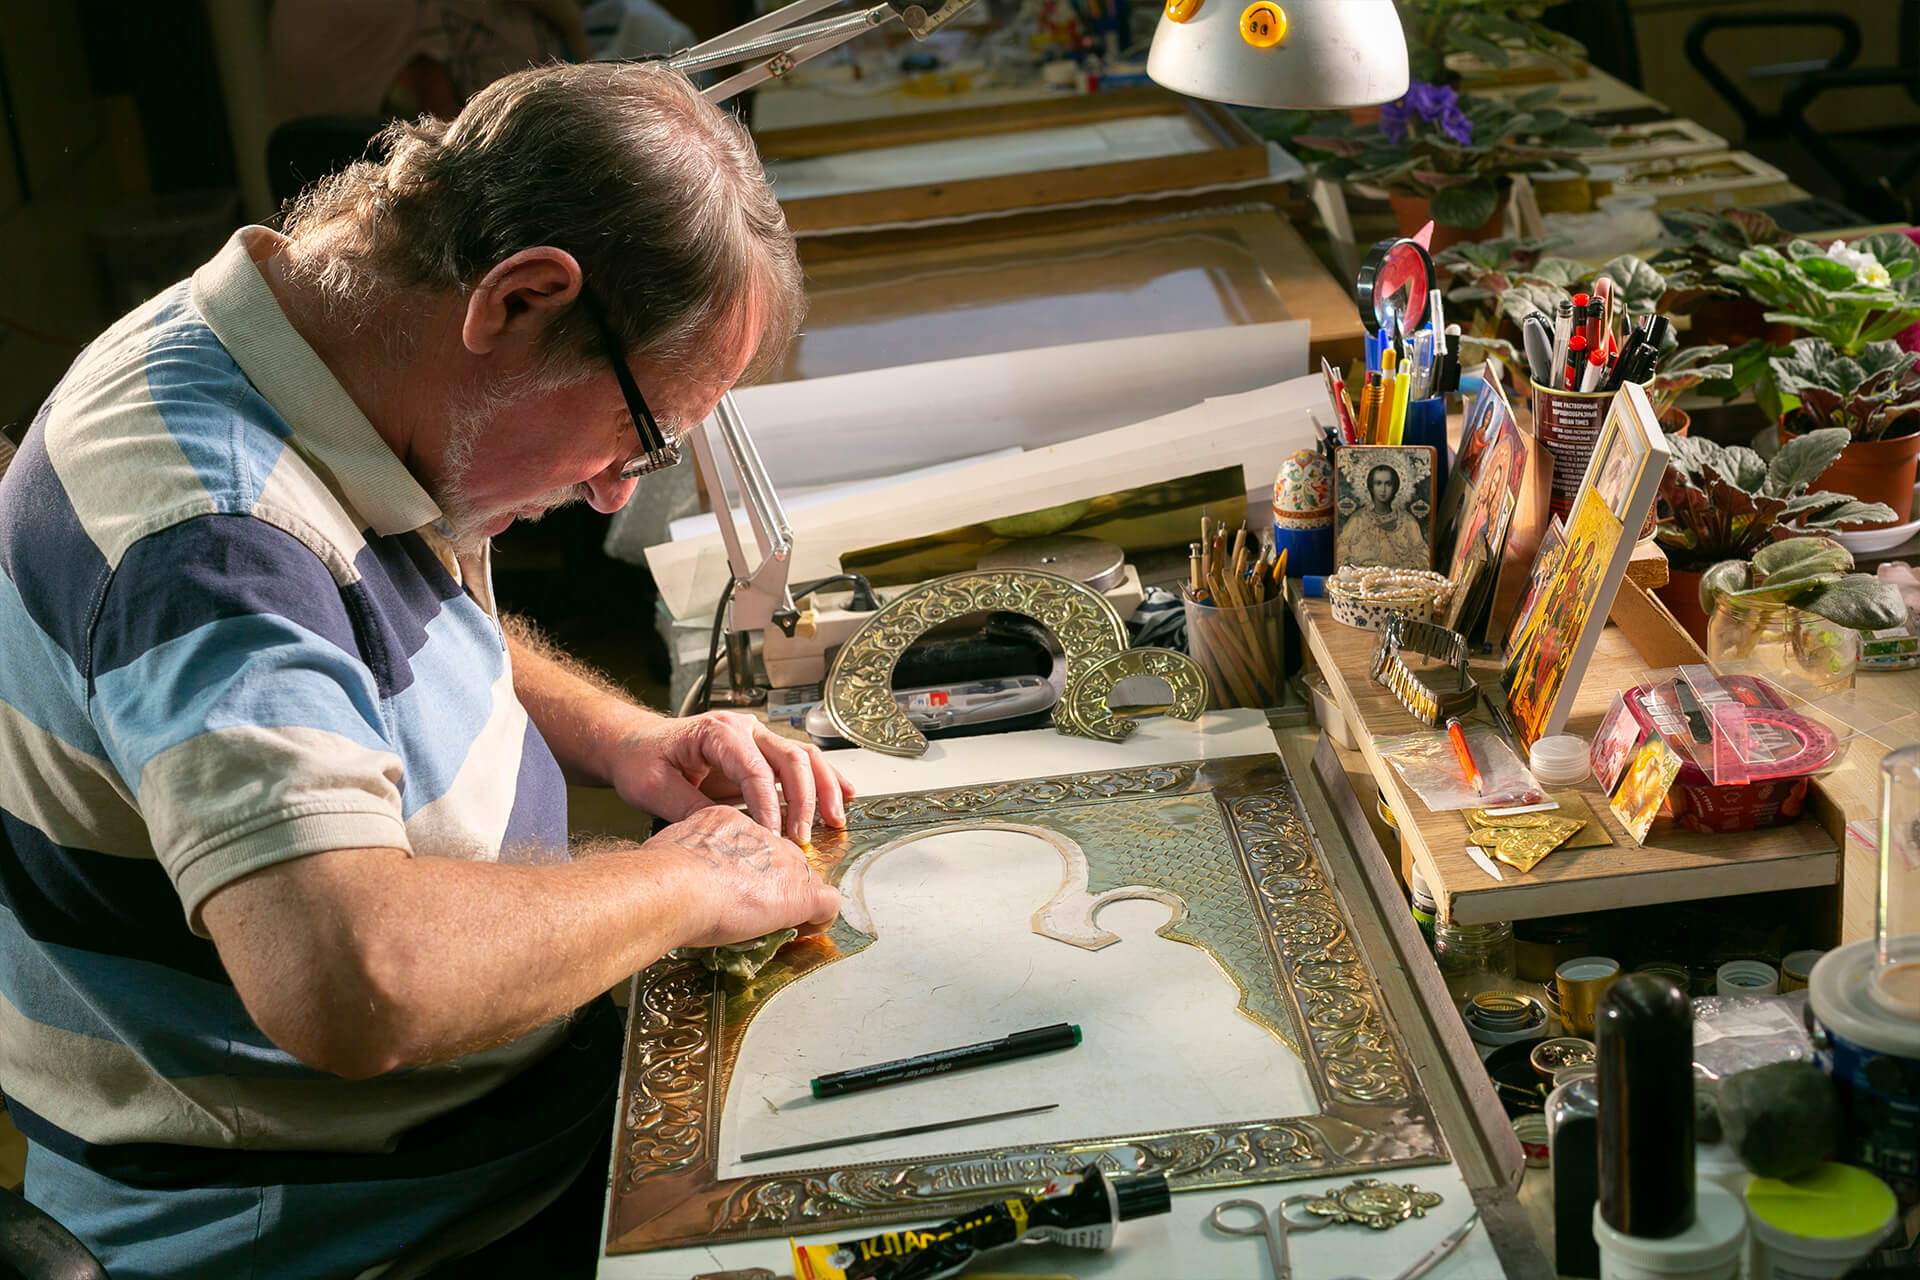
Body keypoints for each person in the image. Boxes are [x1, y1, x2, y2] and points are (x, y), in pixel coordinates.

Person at [0, 62, 846, 1279]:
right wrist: (684, 879)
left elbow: (376, 627)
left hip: (490, 1131)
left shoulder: (315, 353)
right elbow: (355, 979)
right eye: (640, 431)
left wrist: (625, 738)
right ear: (520, 298)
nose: (616, 489)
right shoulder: (208, 537)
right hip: (364, 1226)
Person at [1340, 462, 1430, 569]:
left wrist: (1403, 566)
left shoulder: (1407, 522)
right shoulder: (1357, 520)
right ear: (1371, 487)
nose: (1383, 489)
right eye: (1378, 483)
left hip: (1399, 577)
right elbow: (1341, 552)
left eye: (1388, 484)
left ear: (1395, 487)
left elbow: (1423, 556)